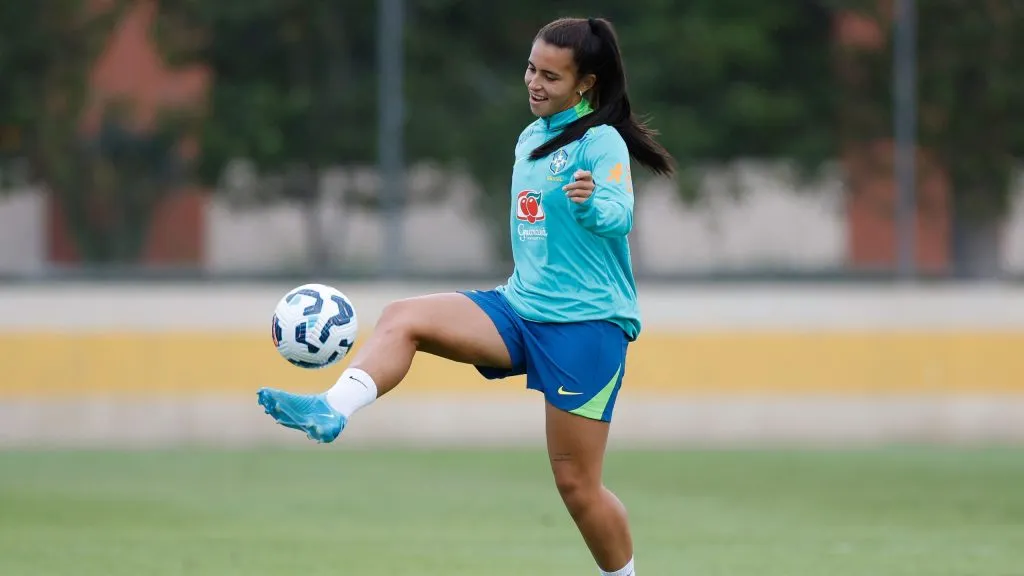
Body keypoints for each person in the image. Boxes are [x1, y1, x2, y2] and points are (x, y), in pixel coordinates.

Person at [257, 15, 674, 576]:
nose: (534, 83)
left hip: (586, 328)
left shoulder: (600, 143)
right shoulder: (532, 136)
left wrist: (590, 204)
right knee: (404, 317)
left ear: (586, 84)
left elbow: (618, 213)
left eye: (551, 76)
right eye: (531, 68)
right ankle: (333, 408)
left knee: (578, 487)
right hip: (521, 308)